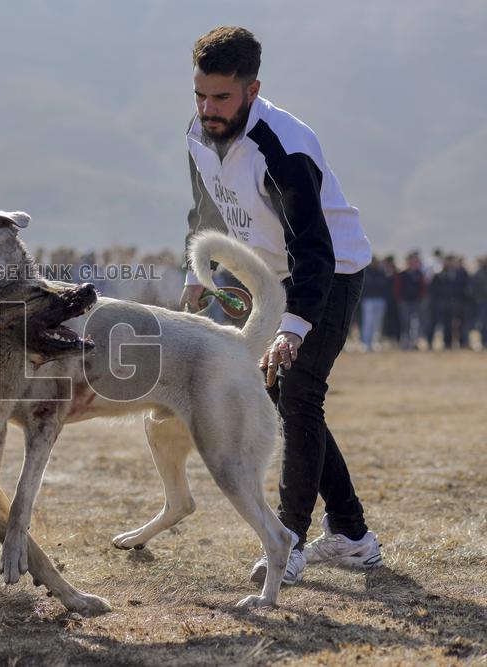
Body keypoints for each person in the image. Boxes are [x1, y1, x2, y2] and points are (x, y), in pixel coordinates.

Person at [180, 26, 382, 586]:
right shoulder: (198, 131)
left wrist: (294, 327)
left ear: (253, 89)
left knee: (298, 395)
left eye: (221, 97)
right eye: (200, 94)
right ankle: (352, 535)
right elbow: (205, 207)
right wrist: (198, 271)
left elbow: (314, 250)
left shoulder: (285, 148)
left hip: (331, 273)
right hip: (270, 277)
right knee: (286, 398)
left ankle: (288, 539)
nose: (208, 108)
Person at [360, 257, 392, 352]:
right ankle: (366, 343)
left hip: (380, 299)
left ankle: (375, 342)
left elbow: (385, 285)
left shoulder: (381, 272)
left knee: (378, 323)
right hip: (368, 300)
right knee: (368, 322)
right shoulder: (366, 272)